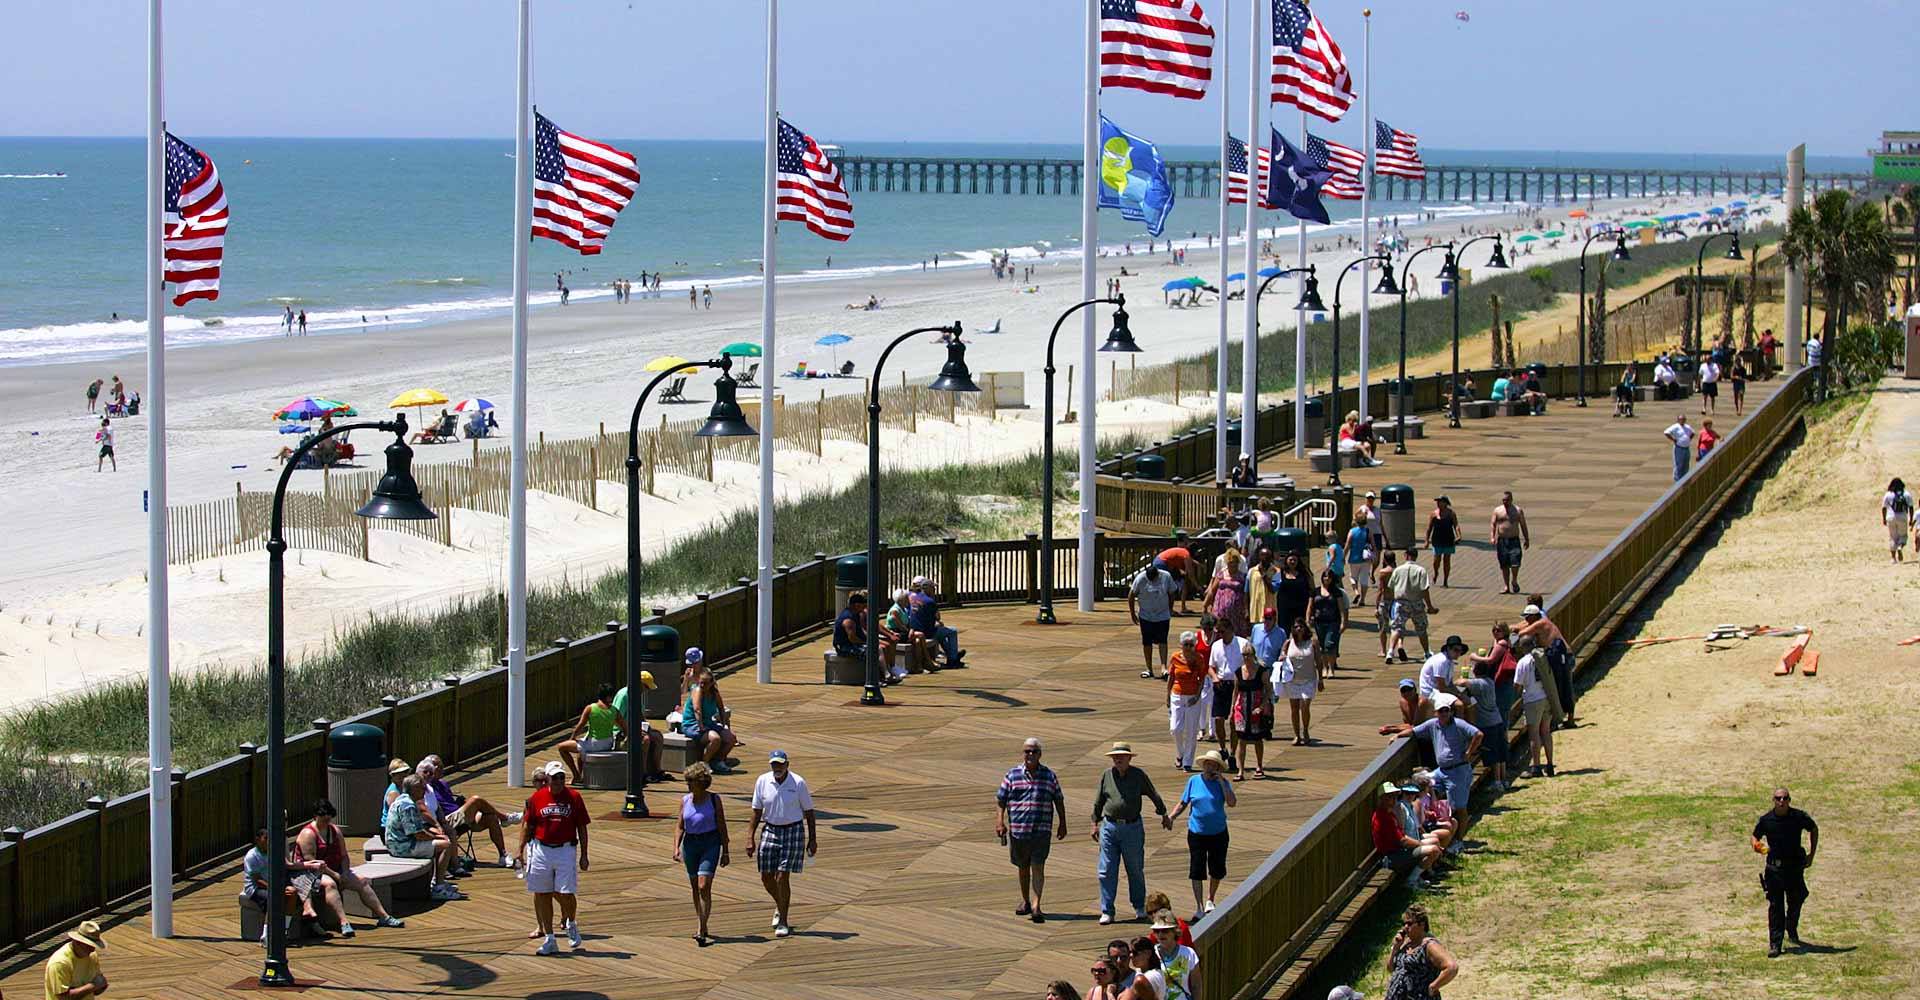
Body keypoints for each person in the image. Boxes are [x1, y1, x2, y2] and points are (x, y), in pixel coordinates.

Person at [291, 798, 403, 932]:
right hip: (310, 874)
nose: (326, 818)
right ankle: (344, 922)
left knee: (361, 881)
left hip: (335, 869)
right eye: (322, 815)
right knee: (330, 884)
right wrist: (336, 875)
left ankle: (384, 916)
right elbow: (314, 863)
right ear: (315, 816)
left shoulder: (335, 831)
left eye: (329, 815)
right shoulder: (308, 834)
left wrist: (344, 872)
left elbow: (344, 855)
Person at [1090, 741, 1171, 924]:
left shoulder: (1138, 775)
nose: (1118, 759)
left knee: (1134, 868)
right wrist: (1094, 823)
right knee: (1106, 870)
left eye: (1121, 756)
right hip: (1109, 827)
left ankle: (1139, 906)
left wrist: (1163, 814)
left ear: (1129, 758)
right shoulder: (1107, 775)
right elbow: (1099, 801)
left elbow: (1153, 793)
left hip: (1132, 827)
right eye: (1115, 756)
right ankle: (1107, 910)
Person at [519, 761, 590, 955]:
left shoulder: (574, 797)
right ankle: (550, 937)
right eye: (555, 777)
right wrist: (520, 849)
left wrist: (584, 854)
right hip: (542, 848)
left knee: (565, 892)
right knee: (542, 892)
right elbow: (527, 825)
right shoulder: (537, 798)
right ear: (547, 779)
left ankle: (571, 922)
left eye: (561, 777)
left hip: (565, 849)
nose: (559, 781)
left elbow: (582, 827)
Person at [997, 737, 1067, 923]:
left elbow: (1058, 799)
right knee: (1022, 867)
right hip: (1018, 830)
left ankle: (1036, 905)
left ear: (1040, 754)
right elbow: (1001, 800)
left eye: (1034, 751)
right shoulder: (1012, 775)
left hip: (1041, 830)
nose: (1030, 755)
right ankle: (1025, 900)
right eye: (1027, 751)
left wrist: (1062, 822)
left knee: (1038, 866)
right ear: (1023, 753)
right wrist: (1000, 822)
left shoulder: (1049, 776)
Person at [749, 748, 817, 938]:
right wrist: (750, 838)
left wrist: (812, 839)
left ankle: (784, 920)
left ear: (787, 764)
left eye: (780, 764)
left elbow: (810, 812)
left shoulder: (798, 782)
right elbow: (756, 811)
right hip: (770, 828)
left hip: (793, 829)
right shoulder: (763, 781)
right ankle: (780, 904)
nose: (777, 767)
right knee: (766, 876)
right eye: (774, 764)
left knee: (782, 876)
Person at [1384, 692, 1482, 816]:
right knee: (1420, 781)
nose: (1444, 714)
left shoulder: (1459, 723)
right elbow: (1414, 731)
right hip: (1441, 771)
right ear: (1436, 713)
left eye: (1446, 710)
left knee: (1458, 807)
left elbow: (1478, 734)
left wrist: (1469, 752)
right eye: (1441, 711)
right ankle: (1426, 814)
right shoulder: (1432, 724)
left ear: (1451, 712)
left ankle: (1459, 834)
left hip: (1457, 771)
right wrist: (1397, 735)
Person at [418, 755, 520, 869]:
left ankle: (503, 855)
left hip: (460, 816)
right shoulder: (425, 787)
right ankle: (505, 818)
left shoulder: (443, 784)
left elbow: (451, 803)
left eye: (442, 766)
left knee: (491, 818)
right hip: (447, 820)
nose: (441, 769)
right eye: (436, 767)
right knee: (476, 799)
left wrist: (463, 803)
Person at [1168, 750, 1235, 920]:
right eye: (1207, 764)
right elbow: (1184, 802)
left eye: (1213, 764)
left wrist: (1222, 783)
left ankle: (1210, 899)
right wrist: (1172, 817)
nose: (1209, 767)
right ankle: (1198, 906)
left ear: (1218, 767)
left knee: (1217, 868)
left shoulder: (1223, 783)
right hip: (1197, 832)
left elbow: (1232, 803)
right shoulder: (1194, 781)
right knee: (1197, 869)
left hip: (1218, 832)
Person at [1751, 787, 1818, 957]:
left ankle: (1791, 925)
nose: (1782, 801)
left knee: (1798, 898)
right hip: (1774, 870)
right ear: (1773, 800)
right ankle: (1775, 944)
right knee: (1776, 907)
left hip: (1794, 868)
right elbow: (1755, 836)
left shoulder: (1798, 817)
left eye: (1785, 798)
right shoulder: (1767, 820)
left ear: (1789, 800)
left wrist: (1811, 855)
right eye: (1778, 798)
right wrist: (1757, 846)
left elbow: (1813, 828)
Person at [672, 761, 731, 945]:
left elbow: (721, 825)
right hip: (691, 844)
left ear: (702, 783)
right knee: (695, 887)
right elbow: (680, 825)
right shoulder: (685, 800)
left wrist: (725, 851)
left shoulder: (714, 800)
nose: (689, 786)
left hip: (710, 843)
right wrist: (676, 847)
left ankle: (700, 928)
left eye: (692, 782)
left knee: (704, 885)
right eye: (688, 782)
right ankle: (702, 922)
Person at [386, 775, 465, 900]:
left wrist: (436, 834)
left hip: (400, 842)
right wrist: (438, 837)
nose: (425, 790)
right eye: (422, 788)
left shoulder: (404, 799)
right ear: (414, 789)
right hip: (402, 847)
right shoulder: (408, 806)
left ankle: (436, 881)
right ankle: (438, 888)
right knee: (445, 845)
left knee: (440, 842)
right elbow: (418, 834)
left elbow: (419, 828)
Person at [1515, 599, 1575, 727]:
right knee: (1565, 687)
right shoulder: (1544, 621)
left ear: (1533, 616)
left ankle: (1562, 719)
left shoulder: (1539, 624)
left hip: (1562, 658)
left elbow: (1521, 633)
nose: (1526, 621)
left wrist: (1516, 629)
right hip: (1565, 656)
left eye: (1527, 618)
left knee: (1560, 687)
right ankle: (1568, 718)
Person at [1371, 783, 1440, 890]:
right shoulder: (1383, 817)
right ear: (1381, 798)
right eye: (1390, 797)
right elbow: (1402, 840)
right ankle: (1411, 881)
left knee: (1431, 846)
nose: (1393, 800)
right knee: (1433, 850)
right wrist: (1420, 844)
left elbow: (1402, 836)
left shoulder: (1389, 813)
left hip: (1399, 852)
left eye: (1395, 796)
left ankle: (1418, 877)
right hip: (1391, 857)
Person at [557, 682, 627, 784]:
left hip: (594, 744)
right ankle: (580, 776)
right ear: (609, 696)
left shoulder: (591, 708)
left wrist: (572, 738)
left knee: (561, 747)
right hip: (608, 743)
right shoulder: (614, 710)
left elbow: (580, 726)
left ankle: (576, 775)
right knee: (581, 748)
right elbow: (624, 728)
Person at [1385, 905, 1459, 998]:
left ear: (1422, 924)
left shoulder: (1429, 945)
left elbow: (1452, 967)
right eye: (1404, 924)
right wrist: (1395, 948)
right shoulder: (1406, 943)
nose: (1405, 927)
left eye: (1409, 924)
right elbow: (1390, 969)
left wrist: (1433, 987)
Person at [609, 672, 667, 783]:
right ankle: (643, 773)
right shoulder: (624, 695)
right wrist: (630, 731)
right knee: (645, 740)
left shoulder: (639, 695)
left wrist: (646, 727)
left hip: (636, 728)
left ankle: (657, 770)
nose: (646, 690)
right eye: (646, 687)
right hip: (621, 731)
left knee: (658, 736)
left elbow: (640, 715)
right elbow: (616, 719)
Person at [1511, 634, 1554, 777]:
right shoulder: (1542, 657)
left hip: (1532, 700)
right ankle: (1549, 764)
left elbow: (1517, 685)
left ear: (1523, 647)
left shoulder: (1523, 662)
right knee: (1546, 732)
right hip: (1546, 697)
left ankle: (1536, 766)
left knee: (1534, 734)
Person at [682, 666, 740, 772]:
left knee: (731, 737)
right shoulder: (697, 690)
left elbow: (721, 708)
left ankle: (718, 760)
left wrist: (723, 724)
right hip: (693, 723)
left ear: (711, 683)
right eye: (701, 682)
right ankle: (704, 764)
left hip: (708, 723)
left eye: (706, 683)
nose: (703, 685)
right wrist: (701, 726)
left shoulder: (714, 693)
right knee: (715, 739)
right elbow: (697, 710)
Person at [1205, 621, 1246, 766]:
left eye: (1222, 632)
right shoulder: (1216, 645)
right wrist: (1215, 677)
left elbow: (1249, 663)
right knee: (1218, 719)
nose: (1220, 635)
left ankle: (1233, 754)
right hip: (1221, 684)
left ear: (1230, 630)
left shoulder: (1242, 643)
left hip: (1237, 685)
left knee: (1234, 721)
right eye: (1218, 632)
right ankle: (1223, 748)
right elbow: (1210, 667)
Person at [1276, 618, 1319, 748]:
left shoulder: (1312, 642)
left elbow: (1318, 659)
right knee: (1294, 708)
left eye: (1301, 626)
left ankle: (1305, 729)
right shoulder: (1289, 643)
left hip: (1309, 679)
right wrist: (1282, 656)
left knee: (1305, 705)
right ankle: (1297, 735)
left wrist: (1321, 678)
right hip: (1292, 680)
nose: (1298, 629)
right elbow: (1281, 655)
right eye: (1296, 627)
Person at [1387, 549, 1436, 662]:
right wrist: (1429, 606)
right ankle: (1427, 652)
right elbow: (1425, 589)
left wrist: (1393, 601)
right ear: (1416, 556)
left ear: (1405, 556)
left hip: (1400, 602)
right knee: (1421, 628)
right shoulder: (1421, 570)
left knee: (1397, 628)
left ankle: (1390, 652)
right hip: (1416, 602)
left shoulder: (1398, 570)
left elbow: (1391, 587)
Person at [1130, 563, 1176, 679]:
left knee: (1163, 640)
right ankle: (1148, 668)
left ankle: (1163, 667)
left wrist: (1170, 608)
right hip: (1146, 615)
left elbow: (1172, 593)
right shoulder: (1140, 578)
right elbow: (1131, 595)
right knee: (1147, 642)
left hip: (1163, 615)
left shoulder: (1166, 576)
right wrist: (1132, 613)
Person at [908, 576, 966, 666]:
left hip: (915, 628)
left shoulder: (914, 597)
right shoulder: (929, 601)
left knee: (942, 633)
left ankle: (952, 655)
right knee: (952, 631)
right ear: (928, 589)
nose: (935, 590)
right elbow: (938, 617)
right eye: (933, 588)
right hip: (927, 632)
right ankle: (953, 660)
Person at [44, 919, 109, 999]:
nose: (92, 949)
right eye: (89, 946)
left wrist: (101, 986)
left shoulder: (91, 955)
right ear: (77, 942)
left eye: (94, 946)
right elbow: (63, 997)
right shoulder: (60, 963)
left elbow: (97, 989)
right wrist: (93, 986)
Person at [1150, 911, 1202, 1000]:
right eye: (1157, 931)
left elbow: (1196, 986)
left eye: (1165, 930)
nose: (1160, 934)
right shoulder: (1151, 954)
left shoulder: (1189, 953)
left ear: (1175, 931)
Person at [1490, 491, 1530, 596]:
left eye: (1507, 500)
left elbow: (1523, 525)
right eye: (1503, 500)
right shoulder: (1498, 510)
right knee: (1504, 564)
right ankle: (1506, 585)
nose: (1505, 502)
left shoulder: (1517, 510)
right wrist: (1492, 537)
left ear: (1511, 499)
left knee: (1515, 562)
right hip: (1502, 541)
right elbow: (1493, 524)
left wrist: (1526, 539)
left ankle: (1514, 580)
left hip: (1514, 540)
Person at [1202, 548, 1248, 639]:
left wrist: (1246, 610)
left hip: (1237, 612)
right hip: (1220, 610)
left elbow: (1246, 594)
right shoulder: (1221, 574)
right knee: (1219, 632)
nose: (1233, 564)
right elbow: (1212, 590)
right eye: (1230, 562)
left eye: (1235, 562)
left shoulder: (1242, 576)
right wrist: (1205, 605)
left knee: (1236, 634)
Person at [1307, 569, 1342, 678]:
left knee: (1329, 645)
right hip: (1319, 622)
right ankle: (1324, 668)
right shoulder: (1315, 591)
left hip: (1333, 622)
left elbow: (1341, 608)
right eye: (1325, 576)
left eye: (1329, 577)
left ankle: (1331, 669)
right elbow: (1310, 606)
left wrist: (1344, 622)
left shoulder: (1336, 592)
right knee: (1321, 646)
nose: (1327, 579)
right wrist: (1307, 619)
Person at [1422, 496, 1458, 588]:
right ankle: (1436, 572)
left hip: (1448, 539)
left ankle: (1445, 580)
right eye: (1437, 502)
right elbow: (1429, 528)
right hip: (1437, 539)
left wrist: (1459, 535)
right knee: (1436, 560)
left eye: (1440, 502)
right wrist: (1426, 541)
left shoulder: (1451, 514)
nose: (1438, 503)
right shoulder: (1433, 514)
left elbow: (1456, 525)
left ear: (1446, 503)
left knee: (1447, 560)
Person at [1154, 546, 1199, 614]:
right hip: (1163, 563)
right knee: (1170, 588)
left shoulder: (1184, 552)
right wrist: (1197, 586)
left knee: (1184, 582)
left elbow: (1187, 571)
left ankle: (1183, 607)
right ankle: (1169, 610)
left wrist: (1197, 564)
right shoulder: (1186, 555)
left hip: (1162, 562)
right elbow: (1190, 574)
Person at [1884, 478, 1916, 563]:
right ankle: (1900, 547)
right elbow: (1911, 507)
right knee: (1903, 536)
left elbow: (1884, 507)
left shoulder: (1888, 494)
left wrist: (1884, 519)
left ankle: (1893, 558)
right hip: (1902, 517)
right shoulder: (1906, 494)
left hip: (1890, 517)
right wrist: (1911, 518)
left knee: (1893, 537)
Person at [833, 590, 868, 657]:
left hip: (852, 643)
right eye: (863, 606)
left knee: (878, 648)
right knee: (869, 653)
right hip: (844, 647)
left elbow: (861, 630)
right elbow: (852, 638)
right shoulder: (848, 619)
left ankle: (886, 667)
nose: (864, 608)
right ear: (856, 605)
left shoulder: (856, 614)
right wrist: (866, 643)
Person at [1664, 413, 1695, 481]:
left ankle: (1685, 479)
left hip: (1687, 448)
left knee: (1686, 464)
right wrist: (1673, 439)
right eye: (1681, 419)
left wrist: (1689, 439)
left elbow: (1693, 432)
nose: (1683, 421)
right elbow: (1666, 432)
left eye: (1684, 419)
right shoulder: (1675, 426)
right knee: (1679, 465)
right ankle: (1677, 480)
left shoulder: (1687, 426)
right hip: (1679, 448)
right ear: (1678, 420)